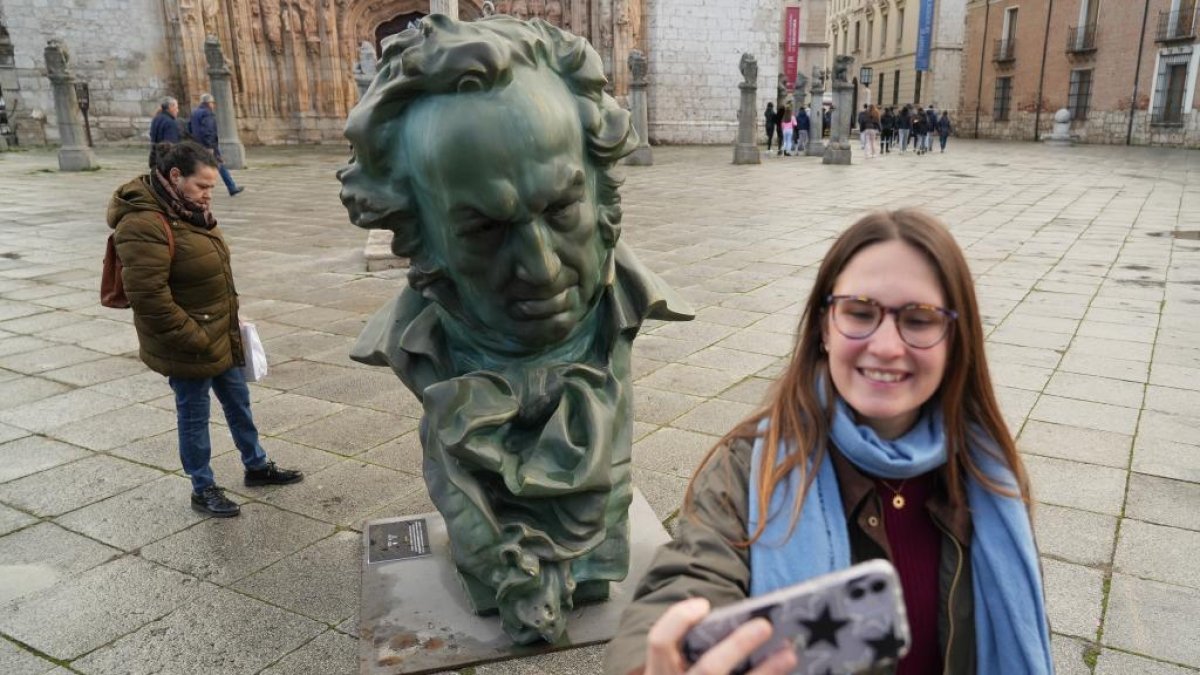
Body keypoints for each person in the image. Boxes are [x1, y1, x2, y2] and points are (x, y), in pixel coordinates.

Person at [605, 209, 1053, 675]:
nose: (886, 345)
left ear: (955, 339)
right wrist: (655, 660)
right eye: (859, 313)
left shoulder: (988, 472)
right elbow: (689, 579)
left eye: (919, 320)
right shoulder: (748, 468)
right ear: (824, 327)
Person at [108, 141, 303, 517]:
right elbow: (149, 298)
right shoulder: (143, 222)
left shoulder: (189, 209)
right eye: (203, 186)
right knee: (194, 417)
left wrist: (231, 317)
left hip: (220, 332)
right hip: (187, 343)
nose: (209, 194)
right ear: (175, 177)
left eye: (212, 187)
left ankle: (256, 465)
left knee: (238, 403)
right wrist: (195, 338)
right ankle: (203, 487)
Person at [187, 93, 244, 196]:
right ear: (209, 103)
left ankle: (231, 187)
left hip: (197, 144)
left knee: (205, 166)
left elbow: (190, 128)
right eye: (212, 103)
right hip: (207, 145)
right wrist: (210, 146)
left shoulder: (194, 113)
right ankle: (231, 187)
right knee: (217, 165)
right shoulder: (207, 113)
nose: (213, 105)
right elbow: (209, 131)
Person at [148, 97, 181, 169]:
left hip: (156, 157)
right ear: (170, 107)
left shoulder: (156, 118)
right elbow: (171, 144)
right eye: (176, 107)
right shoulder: (170, 122)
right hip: (166, 160)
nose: (178, 111)